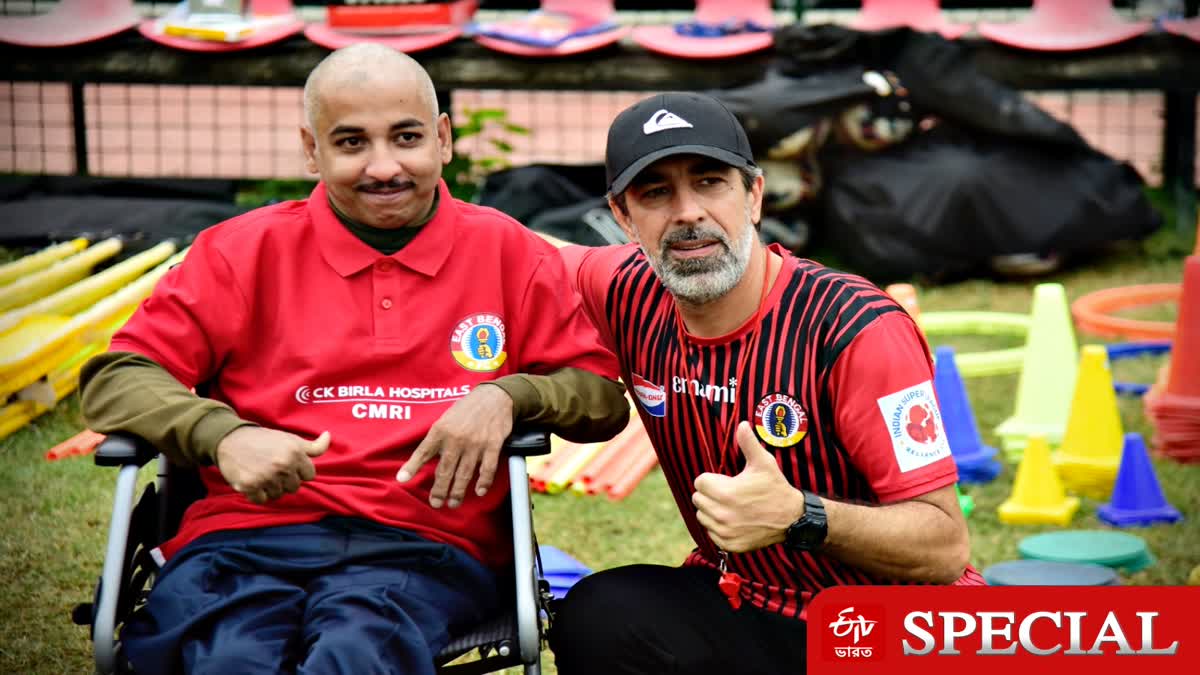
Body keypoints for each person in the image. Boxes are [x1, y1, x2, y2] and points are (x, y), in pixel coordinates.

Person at [79, 44, 629, 675]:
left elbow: (600, 397)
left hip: (425, 550)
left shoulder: (506, 250)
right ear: (312, 151)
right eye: (350, 143)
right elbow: (117, 377)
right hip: (241, 542)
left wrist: (509, 396)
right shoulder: (239, 252)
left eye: (407, 137)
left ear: (444, 139)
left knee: (356, 654)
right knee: (227, 658)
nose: (384, 166)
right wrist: (224, 436)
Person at [547, 92, 985, 675]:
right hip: (748, 602)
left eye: (710, 182)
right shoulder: (623, 289)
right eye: (656, 192)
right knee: (598, 616)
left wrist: (800, 516)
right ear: (622, 217)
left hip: (892, 626)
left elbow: (944, 547)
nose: (687, 213)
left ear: (753, 194)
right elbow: (499, 251)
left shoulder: (858, 329)